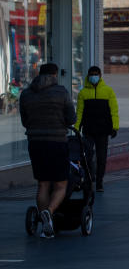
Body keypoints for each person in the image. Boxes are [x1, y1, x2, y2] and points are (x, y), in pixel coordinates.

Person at [18, 62, 75, 238]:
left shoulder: (26, 94)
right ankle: (49, 212)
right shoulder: (61, 92)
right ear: (54, 75)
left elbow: (25, 120)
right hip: (57, 142)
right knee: (60, 184)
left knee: (43, 183)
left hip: (35, 143)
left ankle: (45, 227)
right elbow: (71, 118)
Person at [75, 65, 119, 192]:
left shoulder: (108, 91)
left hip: (103, 130)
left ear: (100, 76)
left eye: (96, 74)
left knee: (102, 157)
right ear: (88, 76)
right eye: (91, 74)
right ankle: (89, 180)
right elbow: (79, 112)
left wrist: (114, 127)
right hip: (88, 130)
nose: (93, 76)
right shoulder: (83, 93)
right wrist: (77, 128)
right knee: (87, 157)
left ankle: (99, 182)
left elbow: (114, 110)